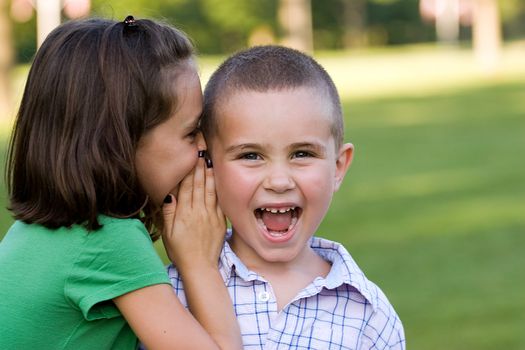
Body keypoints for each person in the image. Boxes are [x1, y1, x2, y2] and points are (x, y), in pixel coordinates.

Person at [0, 17, 242, 350]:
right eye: (190, 133)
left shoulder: (33, 233)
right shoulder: (106, 240)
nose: (204, 146)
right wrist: (199, 264)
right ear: (119, 145)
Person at [166, 45, 406, 349]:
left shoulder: (369, 315)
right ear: (208, 164)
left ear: (338, 167)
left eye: (302, 154)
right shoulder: (172, 292)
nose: (279, 181)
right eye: (251, 155)